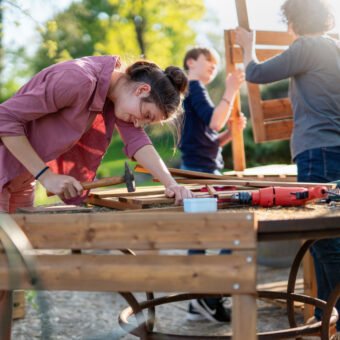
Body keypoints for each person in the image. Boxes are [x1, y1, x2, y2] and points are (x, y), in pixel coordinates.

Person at [235, 0, 340, 336]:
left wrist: (247, 46)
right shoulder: (335, 47)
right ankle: (328, 316)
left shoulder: (306, 46)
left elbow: (256, 73)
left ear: (294, 21)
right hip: (332, 150)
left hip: (318, 153)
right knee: (326, 233)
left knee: (324, 240)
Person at [0, 56, 194, 213]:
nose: (139, 123)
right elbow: (4, 118)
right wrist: (46, 175)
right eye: (146, 115)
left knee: (17, 257)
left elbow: (138, 141)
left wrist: (171, 184)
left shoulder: (114, 96)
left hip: (21, 179)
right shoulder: (78, 80)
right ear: (142, 89)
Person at [180, 47, 246, 323]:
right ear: (191, 62)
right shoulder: (193, 87)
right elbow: (215, 120)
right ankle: (208, 294)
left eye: (216, 65)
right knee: (222, 232)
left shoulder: (196, 93)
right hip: (198, 174)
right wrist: (230, 90)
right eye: (210, 61)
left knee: (202, 236)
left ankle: (201, 299)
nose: (214, 68)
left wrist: (230, 135)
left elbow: (209, 138)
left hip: (205, 169)